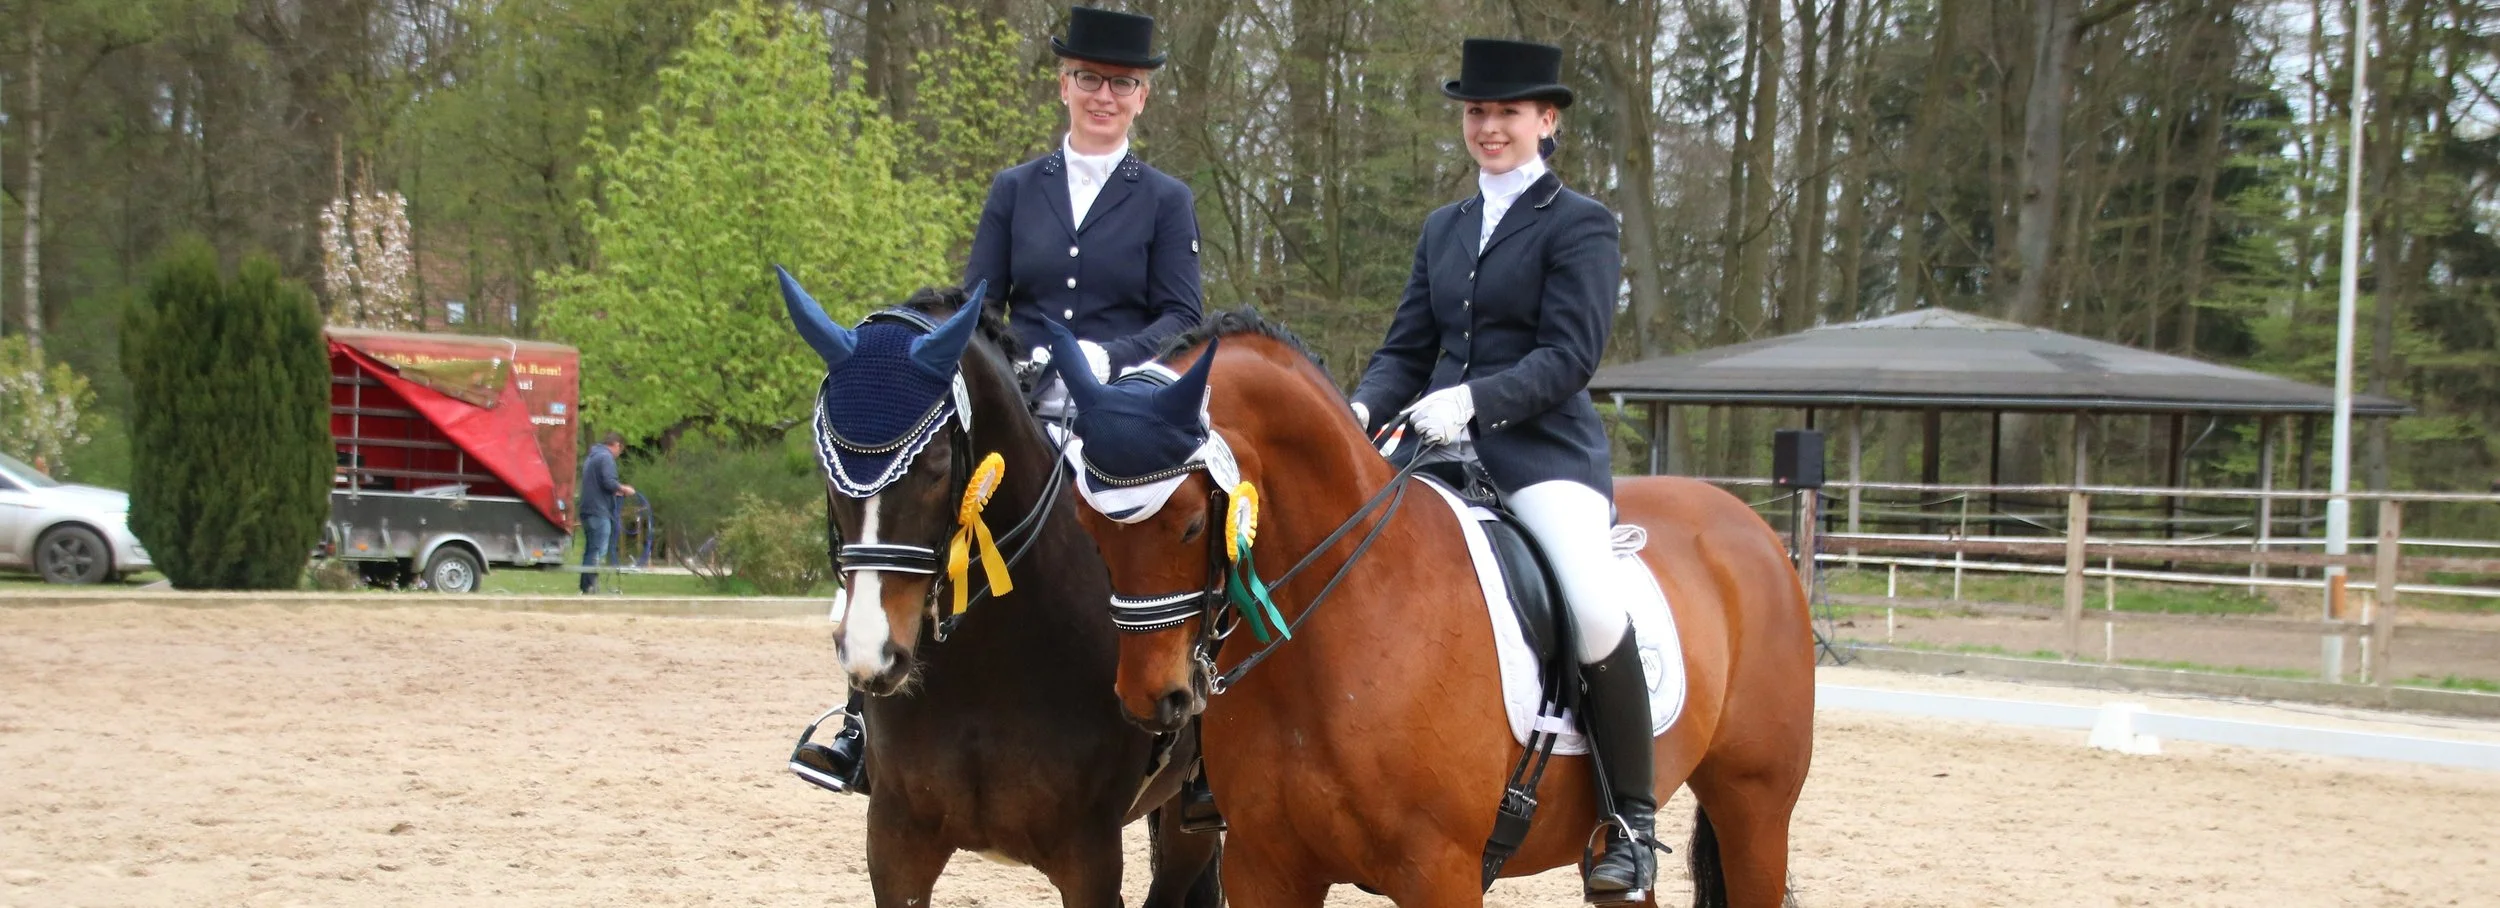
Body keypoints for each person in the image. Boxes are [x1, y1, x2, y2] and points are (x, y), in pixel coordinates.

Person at [795, 4, 1209, 805]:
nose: (1104, 95)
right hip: (1025, 396)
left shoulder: (1165, 199)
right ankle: (859, 724)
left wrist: (1109, 358)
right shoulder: (1017, 189)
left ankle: (1205, 747)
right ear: (1064, 84)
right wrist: (1016, 358)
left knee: (1189, 528)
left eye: (1121, 83)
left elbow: (1182, 316)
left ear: (1143, 97)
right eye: (1089, 78)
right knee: (913, 505)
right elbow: (978, 302)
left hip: (1119, 406)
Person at [1346, 38, 1658, 903]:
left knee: (1591, 604)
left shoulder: (1581, 222)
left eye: (1507, 113)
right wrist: (1361, 410)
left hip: (1542, 452)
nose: (1489, 126)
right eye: (1477, 112)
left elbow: (1569, 355)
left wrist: (1475, 401)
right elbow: (1406, 349)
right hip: (1432, 447)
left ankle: (1630, 821)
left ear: (1545, 121)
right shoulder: (1443, 227)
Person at [577, 431, 633, 595]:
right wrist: (624, 489)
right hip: (599, 511)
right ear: (617, 445)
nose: (618, 455)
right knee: (598, 551)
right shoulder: (606, 457)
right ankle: (591, 587)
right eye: (620, 451)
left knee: (590, 550)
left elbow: (600, 484)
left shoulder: (592, 457)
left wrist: (614, 491)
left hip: (587, 509)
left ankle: (586, 587)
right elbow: (609, 481)